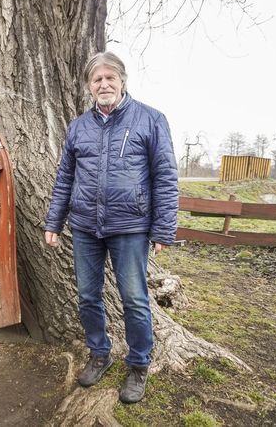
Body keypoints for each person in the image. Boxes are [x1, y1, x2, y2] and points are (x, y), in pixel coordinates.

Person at [44, 51, 178, 404]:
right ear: (89, 86)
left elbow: (165, 177)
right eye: (96, 79)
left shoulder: (150, 120)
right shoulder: (78, 127)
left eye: (110, 77)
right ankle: (99, 353)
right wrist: (54, 221)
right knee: (88, 296)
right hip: (86, 226)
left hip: (131, 226)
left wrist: (163, 229)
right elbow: (65, 179)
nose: (104, 84)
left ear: (122, 80)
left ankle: (138, 365)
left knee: (134, 299)